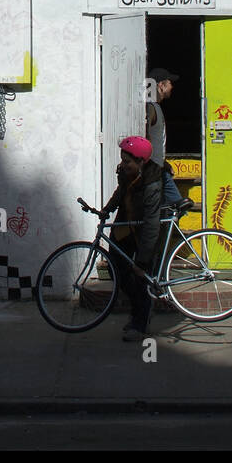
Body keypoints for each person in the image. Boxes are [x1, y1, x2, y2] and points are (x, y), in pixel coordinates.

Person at [101, 136, 162, 342]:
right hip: (126, 228)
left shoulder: (152, 183)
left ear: (141, 162)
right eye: (122, 160)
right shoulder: (127, 174)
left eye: (127, 161)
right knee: (115, 268)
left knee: (140, 277)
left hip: (145, 233)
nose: (123, 165)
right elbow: (121, 193)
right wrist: (107, 210)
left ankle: (140, 323)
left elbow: (152, 224)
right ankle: (137, 313)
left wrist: (142, 262)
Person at [146, 68, 183, 206]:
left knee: (174, 206)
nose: (172, 86)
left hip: (159, 167)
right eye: (169, 83)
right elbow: (146, 136)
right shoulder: (151, 107)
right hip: (154, 169)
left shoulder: (155, 107)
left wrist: (163, 162)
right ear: (161, 85)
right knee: (170, 206)